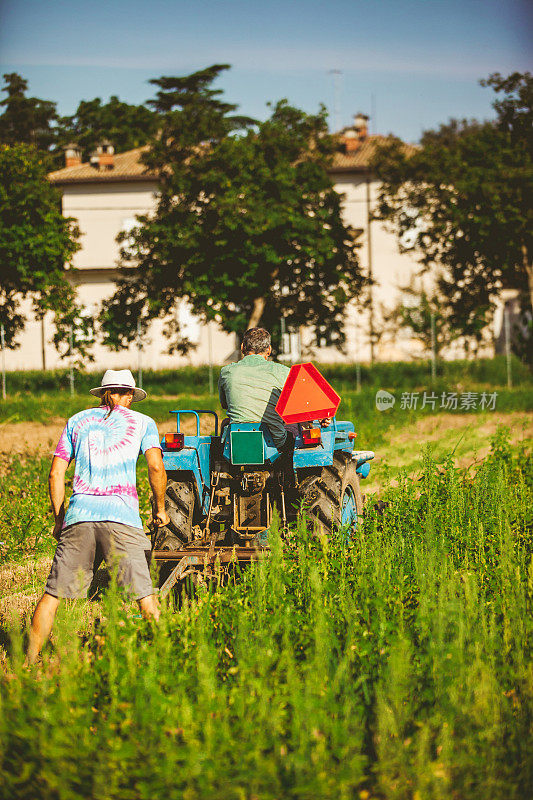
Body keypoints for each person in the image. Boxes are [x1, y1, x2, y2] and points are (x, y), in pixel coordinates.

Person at [27, 369, 170, 664]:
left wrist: (59, 519)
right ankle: (165, 658)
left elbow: (56, 473)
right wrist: (160, 508)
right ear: (129, 394)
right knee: (145, 595)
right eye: (129, 393)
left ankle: (28, 660)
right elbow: (155, 467)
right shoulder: (144, 423)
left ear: (102, 392)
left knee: (53, 594)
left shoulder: (77, 421)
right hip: (122, 518)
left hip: (80, 515)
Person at [219, 328, 295, 452]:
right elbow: (296, 405)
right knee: (294, 428)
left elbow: (224, 405)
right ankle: (287, 469)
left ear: (243, 347)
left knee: (225, 424)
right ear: (269, 349)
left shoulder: (227, 372)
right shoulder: (283, 372)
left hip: (237, 438)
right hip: (275, 441)